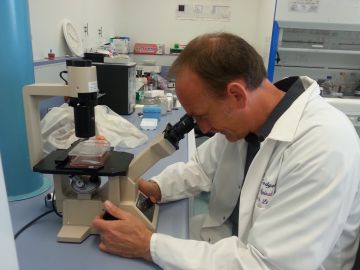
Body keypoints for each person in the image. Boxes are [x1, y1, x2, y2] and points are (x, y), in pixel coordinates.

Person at [92, 32, 360, 269]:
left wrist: (148, 246)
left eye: (202, 115)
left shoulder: (324, 144)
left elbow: (268, 264)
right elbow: (200, 168)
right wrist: (157, 187)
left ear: (237, 95)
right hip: (230, 240)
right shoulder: (249, 120)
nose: (204, 128)